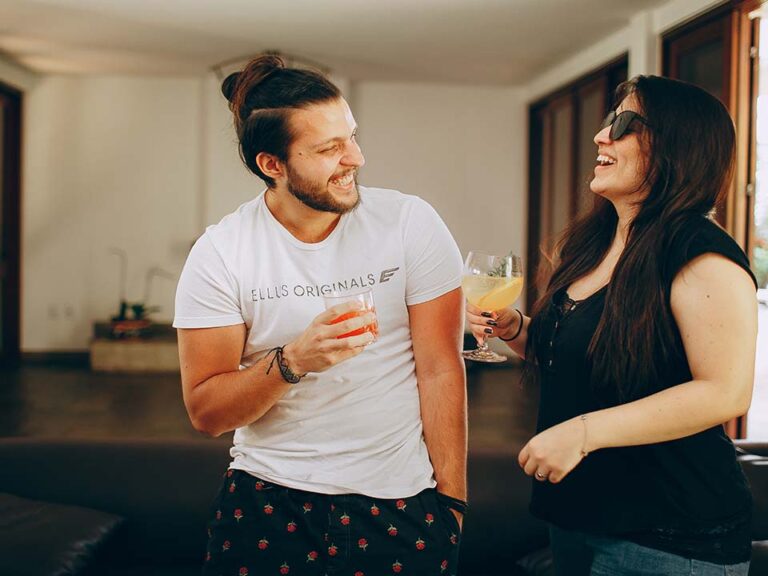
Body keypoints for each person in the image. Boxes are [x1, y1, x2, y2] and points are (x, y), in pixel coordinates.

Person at [173, 54, 467, 576]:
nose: (355, 158)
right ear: (273, 165)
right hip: (266, 503)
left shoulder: (409, 223)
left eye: (351, 136)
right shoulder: (221, 253)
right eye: (330, 148)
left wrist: (453, 504)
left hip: (401, 504)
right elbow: (207, 413)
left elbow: (440, 368)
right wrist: (293, 361)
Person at [467, 75, 758, 575]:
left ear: (676, 146)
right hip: (579, 516)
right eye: (608, 122)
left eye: (624, 125)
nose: (601, 136)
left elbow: (725, 392)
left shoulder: (699, 251)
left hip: (668, 536)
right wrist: (517, 328)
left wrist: (583, 433)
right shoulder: (599, 242)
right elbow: (587, 353)